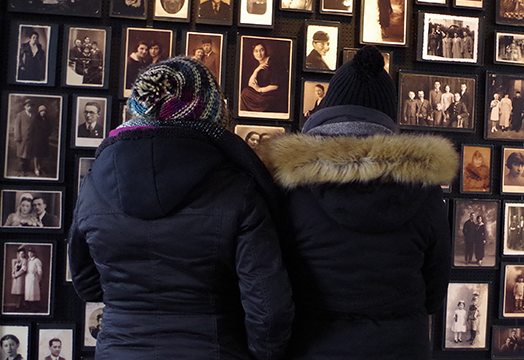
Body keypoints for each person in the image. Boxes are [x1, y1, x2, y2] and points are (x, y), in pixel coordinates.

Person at [69, 57, 294, 359]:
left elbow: (86, 285)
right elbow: (269, 310)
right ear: (213, 112)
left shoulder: (95, 184)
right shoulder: (239, 189)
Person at [257, 45, 457, 359]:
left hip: (313, 346)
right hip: (401, 347)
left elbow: (270, 280)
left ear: (326, 108)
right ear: (389, 120)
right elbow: (434, 291)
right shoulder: (423, 186)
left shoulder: (290, 183)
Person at [240, 43, 284, 113]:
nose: (259, 54)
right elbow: (250, 84)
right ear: (253, 53)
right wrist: (256, 70)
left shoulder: (272, 62)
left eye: (261, 50)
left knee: (247, 95)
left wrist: (260, 89)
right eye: (256, 51)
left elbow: (275, 86)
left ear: (265, 51)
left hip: (272, 93)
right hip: (261, 92)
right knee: (245, 92)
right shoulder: (256, 63)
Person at [28, 105, 52, 177]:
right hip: (37, 140)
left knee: (42, 155)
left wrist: (47, 134)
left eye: (44, 111)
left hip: (44, 140)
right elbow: (33, 130)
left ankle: (40, 167)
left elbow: (49, 129)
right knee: (36, 155)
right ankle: (36, 169)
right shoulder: (36, 120)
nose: (43, 112)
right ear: (39, 112)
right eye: (42, 111)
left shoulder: (47, 120)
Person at [14, 99, 35, 177]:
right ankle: (22, 170)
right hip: (22, 138)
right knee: (21, 154)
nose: (29, 108)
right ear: (24, 107)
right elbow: (17, 126)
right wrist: (17, 137)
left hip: (31, 139)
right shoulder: (20, 115)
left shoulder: (34, 115)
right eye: (27, 106)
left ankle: (27, 169)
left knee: (29, 154)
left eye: (30, 106)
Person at [24, 246, 43, 312]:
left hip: (33, 278)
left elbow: (39, 271)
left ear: (34, 253)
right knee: (28, 292)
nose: (29, 254)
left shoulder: (37, 260)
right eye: (28, 253)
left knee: (33, 292)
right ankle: (28, 306)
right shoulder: (28, 261)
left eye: (31, 253)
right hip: (27, 277)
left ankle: (34, 307)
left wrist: (38, 279)